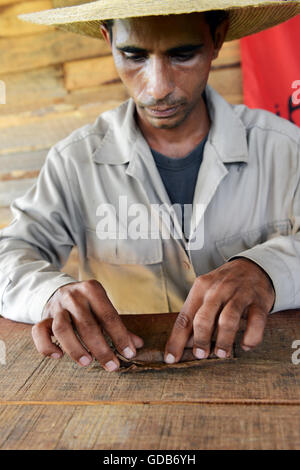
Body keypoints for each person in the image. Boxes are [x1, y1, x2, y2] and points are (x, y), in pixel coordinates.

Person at [1, 0, 299, 372]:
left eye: (183, 54)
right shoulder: (74, 161)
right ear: (108, 40)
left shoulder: (285, 148)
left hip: (265, 377)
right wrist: (49, 293)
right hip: (127, 387)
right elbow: (10, 252)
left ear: (217, 39)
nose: (157, 89)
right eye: (133, 55)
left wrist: (268, 269)